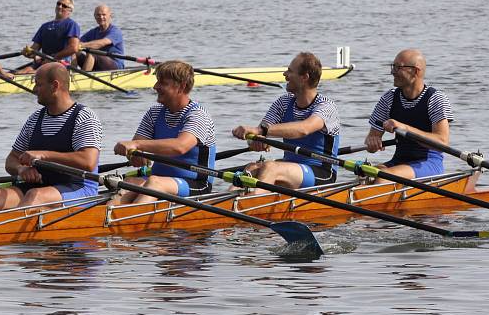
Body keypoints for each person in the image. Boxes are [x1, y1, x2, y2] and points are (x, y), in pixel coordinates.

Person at [0, 62, 103, 214]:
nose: (34, 90)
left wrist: (44, 155)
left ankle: (3, 233)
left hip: (79, 188)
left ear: (54, 86)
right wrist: (21, 169)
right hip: (42, 187)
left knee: (35, 196)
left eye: (38, 85)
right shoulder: (35, 118)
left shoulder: (84, 117)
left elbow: (88, 162)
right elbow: (11, 160)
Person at [232, 52, 340, 189]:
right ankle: (219, 206)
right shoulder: (283, 102)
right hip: (290, 166)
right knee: (251, 169)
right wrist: (256, 140)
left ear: (304, 77)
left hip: (321, 171)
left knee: (271, 167)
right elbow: (261, 132)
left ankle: (252, 202)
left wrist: (261, 131)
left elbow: (303, 129)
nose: (285, 74)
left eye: (290, 71)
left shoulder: (326, 106)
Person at [113, 60, 216, 204]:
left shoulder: (198, 115)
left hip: (195, 184)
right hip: (157, 180)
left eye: (162, 83)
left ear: (181, 87)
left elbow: (179, 146)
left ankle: (126, 223)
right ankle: (101, 220)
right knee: (130, 182)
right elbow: (138, 153)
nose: (155, 87)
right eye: (157, 82)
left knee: (155, 182)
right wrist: (135, 155)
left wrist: (136, 145)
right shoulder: (154, 113)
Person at [364, 48, 454, 179]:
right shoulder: (388, 99)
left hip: (428, 163)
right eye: (392, 67)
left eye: (398, 67)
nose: (392, 72)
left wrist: (404, 128)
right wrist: (372, 142)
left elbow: (442, 142)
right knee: (366, 175)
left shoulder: (436, 99)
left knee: (382, 177)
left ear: (415, 71)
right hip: (399, 160)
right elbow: (370, 145)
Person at [16, 0, 81, 74]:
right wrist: (27, 53)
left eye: (64, 6)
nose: (60, 6)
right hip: (43, 62)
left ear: (70, 10)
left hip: (61, 63)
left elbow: (74, 48)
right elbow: (34, 49)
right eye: (58, 4)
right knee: (20, 72)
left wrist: (53, 57)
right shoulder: (45, 26)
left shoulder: (71, 25)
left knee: (32, 73)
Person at [75, 4, 126, 71]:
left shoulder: (115, 31)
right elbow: (77, 42)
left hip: (115, 64)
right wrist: (72, 45)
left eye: (104, 15)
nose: (101, 17)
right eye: (98, 15)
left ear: (110, 16)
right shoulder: (93, 32)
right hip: (98, 62)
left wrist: (81, 45)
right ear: (95, 17)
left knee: (93, 52)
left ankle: (83, 78)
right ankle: (72, 75)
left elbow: (102, 43)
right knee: (74, 51)